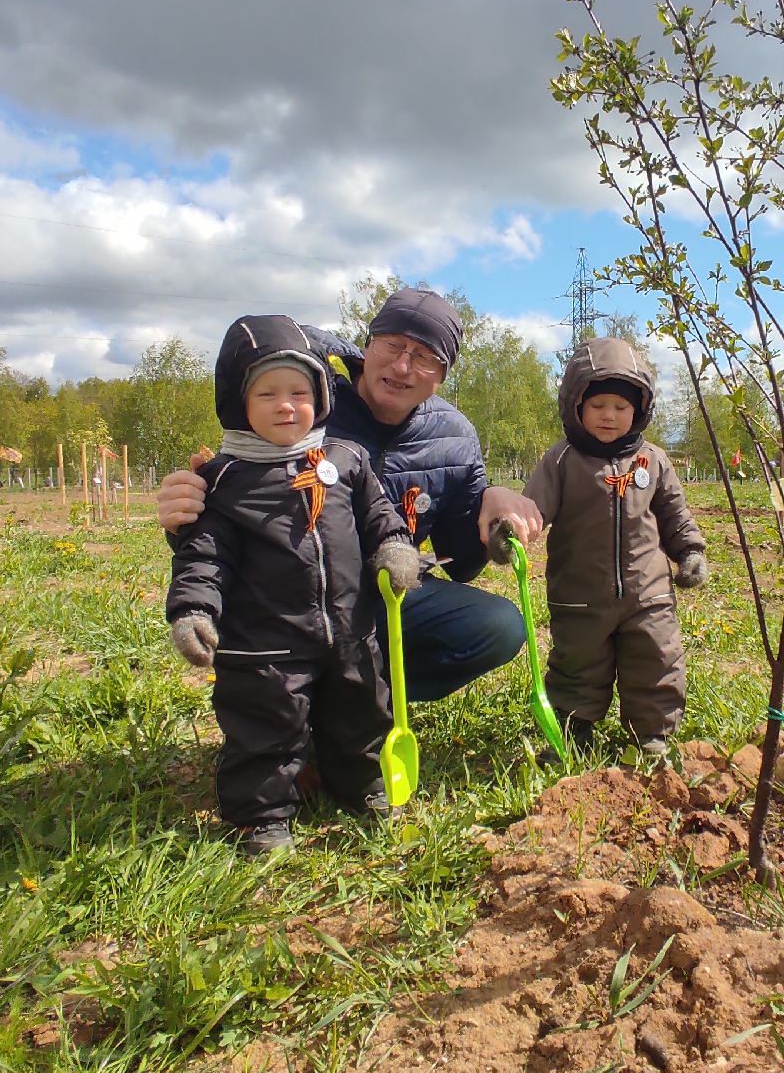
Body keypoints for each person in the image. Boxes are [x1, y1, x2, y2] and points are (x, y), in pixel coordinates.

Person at [157, 288, 541, 703]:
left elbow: (462, 562)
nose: (402, 365)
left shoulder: (454, 436)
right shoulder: (309, 406)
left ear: (443, 374)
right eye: (392, 345)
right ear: (367, 346)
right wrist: (184, 515)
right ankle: (290, 707)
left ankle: (364, 702)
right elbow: (237, 501)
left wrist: (492, 507)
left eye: (425, 356)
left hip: (383, 597)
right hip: (287, 600)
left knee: (497, 626)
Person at [166, 314, 421, 854]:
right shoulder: (226, 480)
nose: (287, 405)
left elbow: (378, 513)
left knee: (361, 712)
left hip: (349, 629)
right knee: (266, 727)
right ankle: (260, 818)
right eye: (268, 393)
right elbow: (204, 556)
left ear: (321, 397)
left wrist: (395, 547)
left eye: (300, 391)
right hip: (264, 645)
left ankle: (366, 789)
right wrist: (193, 610)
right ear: (239, 402)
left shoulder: (345, 459)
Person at [504, 337, 706, 759]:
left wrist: (690, 551)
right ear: (576, 406)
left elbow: (674, 515)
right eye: (597, 406)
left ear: (639, 410)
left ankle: (652, 736)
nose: (609, 416)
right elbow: (531, 510)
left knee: (656, 660)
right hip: (579, 596)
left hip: (648, 594)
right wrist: (509, 533)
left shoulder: (652, 460)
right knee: (578, 664)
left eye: (620, 406)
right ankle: (574, 731)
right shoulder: (561, 461)